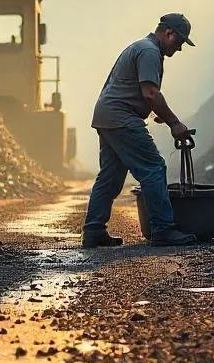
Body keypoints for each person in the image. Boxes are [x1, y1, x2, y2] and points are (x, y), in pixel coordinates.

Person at [82, 13, 199, 248]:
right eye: (179, 42)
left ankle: (94, 230)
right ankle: (163, 229)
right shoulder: (149, 52)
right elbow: (151, 93)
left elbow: (143, 94)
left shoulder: (141, 47)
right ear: (168, 33)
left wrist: (152, 110)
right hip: (121, 117)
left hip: (107, 116)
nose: (179, 49)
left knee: (110, 175)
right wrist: (174, 123)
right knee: (154, 168)